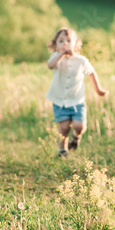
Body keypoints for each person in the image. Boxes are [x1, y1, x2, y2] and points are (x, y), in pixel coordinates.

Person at [46, 27, 109, 157]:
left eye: (68, 40)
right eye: (61, 41)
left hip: (77, 101)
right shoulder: (56, 58)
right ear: (55, 45)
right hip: (59, 101)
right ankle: (62, 150)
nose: (65, 43)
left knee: (79, 126)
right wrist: (60, 54)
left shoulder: (81, 61)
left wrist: (98, 90)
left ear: (76, 43)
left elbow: (91, 73)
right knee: (63, 128)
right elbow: (50, 65)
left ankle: (76, 137)